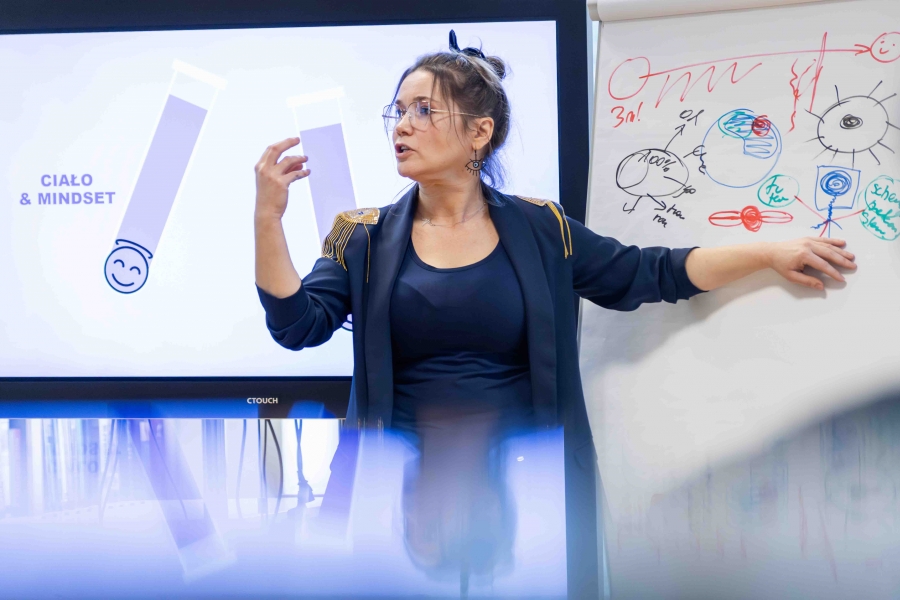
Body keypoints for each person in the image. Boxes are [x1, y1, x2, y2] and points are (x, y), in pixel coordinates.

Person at [253, 31, 857, 597]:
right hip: (400, 492)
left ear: (479, 132)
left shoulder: (544, 229)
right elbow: (296, 325)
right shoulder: (360, 235)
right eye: (398, 111)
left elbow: (649, 272)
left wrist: (768, 253)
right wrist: (268, 219)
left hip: (525, 489)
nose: (402, 126)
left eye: (423, 110)